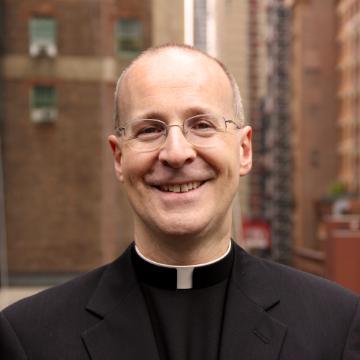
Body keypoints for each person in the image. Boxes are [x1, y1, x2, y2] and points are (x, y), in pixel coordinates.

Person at [0, 44, 359, 360]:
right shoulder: (29, 338)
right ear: (119, 158)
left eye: (202, 125)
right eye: (150, 129)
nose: (176, 153)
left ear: (244, 149)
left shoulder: (336, 325)